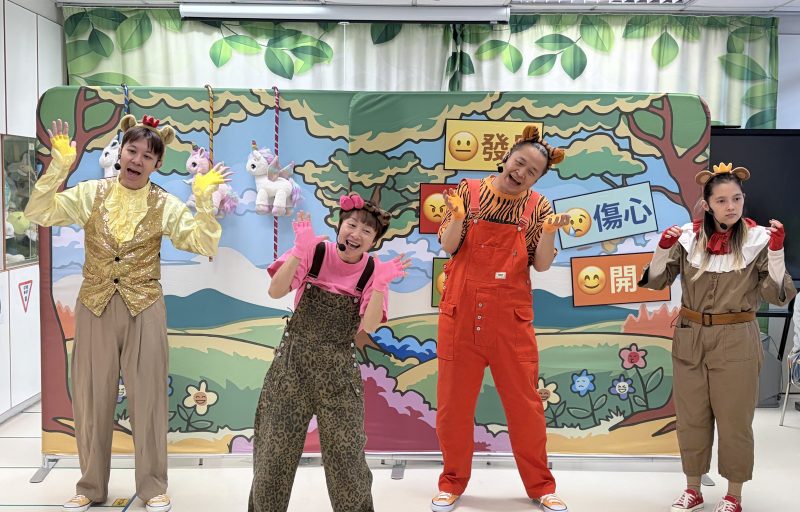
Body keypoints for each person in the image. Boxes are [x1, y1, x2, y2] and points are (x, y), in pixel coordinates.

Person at [25, 115, 229, 512]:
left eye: (147, 156)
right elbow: (40, 211)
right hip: (94, 304)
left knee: (149, 398)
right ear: (120, 152)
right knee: (90, 398)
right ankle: (90, 486)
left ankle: (153, 488)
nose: (137, 160)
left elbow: (203, 244)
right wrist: (59, 166)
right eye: (131, 150)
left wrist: (204, 202)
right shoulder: (91, 193)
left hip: (145, 306)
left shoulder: (164, 204)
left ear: (157, 164)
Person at [638, 162, 796, 512]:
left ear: (743, 199)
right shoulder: (687, 238)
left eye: (736, 199)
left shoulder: (758, 240)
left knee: (734, 421)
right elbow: (657, 281)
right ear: (707, 204)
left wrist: (776, 252)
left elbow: (777, 295)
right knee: (691, 418)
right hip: (690, 335)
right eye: (721, 200)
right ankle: (692, 489)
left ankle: (733, 495)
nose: (731, 206)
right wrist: (662, 248)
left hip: (737, 338)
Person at [432, 125, 571, 512]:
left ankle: (541, 486)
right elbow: (449, 245)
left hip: (511, 322)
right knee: (453, 408)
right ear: (506, 157)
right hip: (460, 317)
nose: (521, 172)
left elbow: (541, 265)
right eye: (519, 162)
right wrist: (457, 216)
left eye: (532, 171)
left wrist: (548, 232)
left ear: (538, 179)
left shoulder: (539, 206)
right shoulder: (469, 191)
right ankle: (451, 482)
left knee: (527, 408)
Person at [248, 193, 410, 512]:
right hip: (291, 369)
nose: (356, 234)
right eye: (351, 225)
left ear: (374, 241)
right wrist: (299, 251)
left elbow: (370, 325)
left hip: (339, 375)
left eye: (366, 231)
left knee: (347, 462)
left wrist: (379, 285)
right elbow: (276, 290)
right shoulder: (315, 252)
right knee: (273, 456)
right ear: (339, 225)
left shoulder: (372, 271)